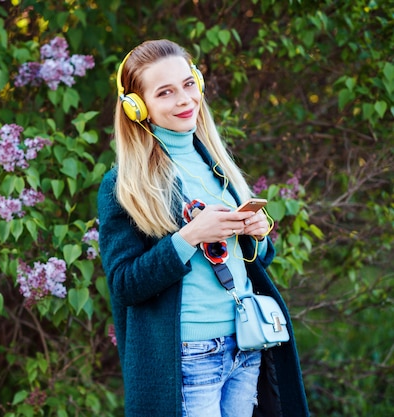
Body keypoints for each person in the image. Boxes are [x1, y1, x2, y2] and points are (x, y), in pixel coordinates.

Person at [97, 39, 309, 417]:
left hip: (245, 344)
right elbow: (125, 284)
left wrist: (256, 234)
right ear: (136, 107)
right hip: (188, 355)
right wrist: (191, 236)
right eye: (165, 92)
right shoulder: (124, 184)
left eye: (188, 84)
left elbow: (258, 259)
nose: (184, 99)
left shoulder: (215, 164)